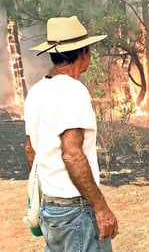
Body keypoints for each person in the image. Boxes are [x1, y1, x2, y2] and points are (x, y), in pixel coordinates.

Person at [24, 16, 118, 251]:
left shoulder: (36, 91)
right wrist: (101, 207)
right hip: (76, 213)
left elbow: (30, 149)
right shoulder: (74, 90)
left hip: (51, 209)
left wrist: (47, 191)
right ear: (84, 52)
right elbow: (72, 154)